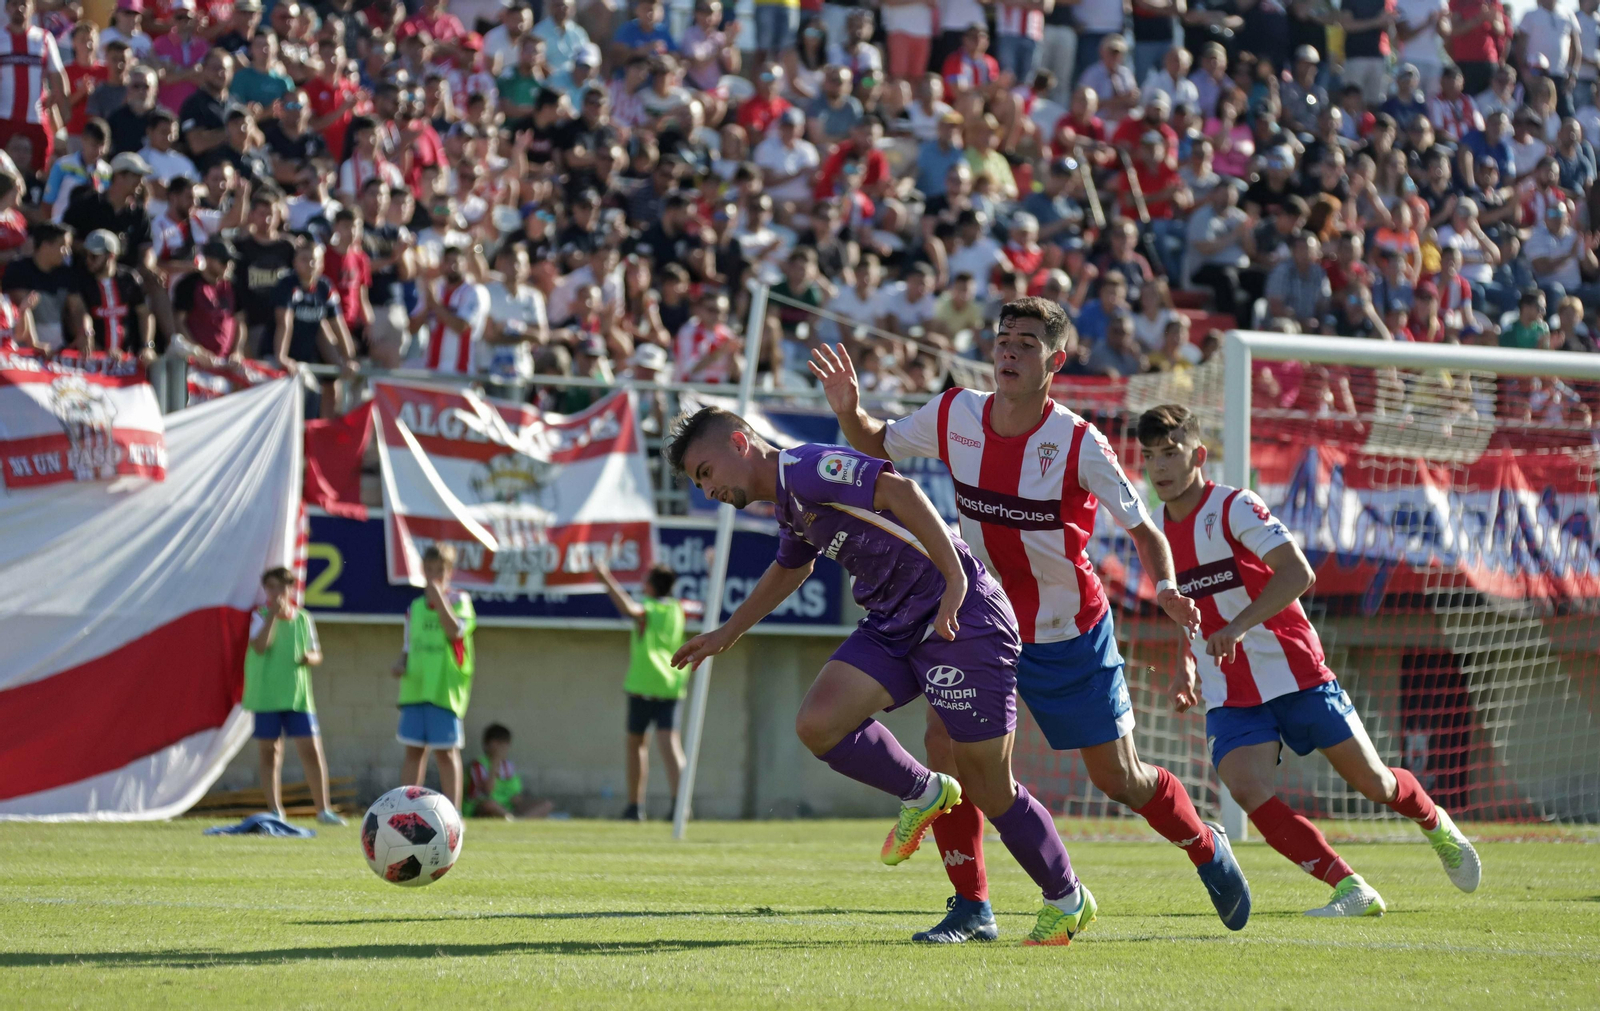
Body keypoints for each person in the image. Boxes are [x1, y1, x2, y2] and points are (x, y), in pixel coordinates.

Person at [806, 297, 1250, 944]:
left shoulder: (1078, 441)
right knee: (946, 746)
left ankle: (1203, 842)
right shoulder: (957, 411)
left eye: (1026, 343)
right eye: (1003, 339)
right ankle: (971, 904)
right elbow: (880, 443)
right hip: (982, 619)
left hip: (1068, 631)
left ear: (1055, 361)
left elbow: (1147, 531)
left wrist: (1170, 587)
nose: (1009, 351)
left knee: (1118, 777)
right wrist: (849, 410)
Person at [667, 403, 1100, 948]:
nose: (706, 489)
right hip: (894, 623)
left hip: (959, 617)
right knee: (819, 723)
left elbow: (899, 491)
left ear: (738, 443)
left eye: (704, 472)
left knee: (988, 783)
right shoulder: (789, 502)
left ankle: (1065, 897)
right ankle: (924, 793)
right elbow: (791, 566)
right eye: (696, 482)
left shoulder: (805, 468)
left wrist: (955, 581)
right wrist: (726, 633)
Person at [1137, 403, 1482, 916]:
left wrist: (1236, 627)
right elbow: (1191, 609)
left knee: (1375, 784)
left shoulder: (1234, 507)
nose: (1160, 467)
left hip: (1294, 671)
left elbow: (1298, 574)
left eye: (1171, 453)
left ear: (1199, 455)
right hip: (1229, 690)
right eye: (1149, 456)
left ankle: (1435, 822)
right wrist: (1188, 666)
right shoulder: (1156, 533)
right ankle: (1350, 888)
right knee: (1247, 790)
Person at [243, 566, 345, 825]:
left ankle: (323, 809)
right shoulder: (259, 616)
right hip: (267, 696)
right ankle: (275, 810)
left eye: (281, 587)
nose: (276, 592)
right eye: (271, 587)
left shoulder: (303, 619)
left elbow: (316, 652)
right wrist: (273, 618)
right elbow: (259, 645)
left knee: (311, 750)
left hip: (298, 697)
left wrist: (310, 657)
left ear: (291, 589)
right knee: (270, 752)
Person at [595, 560, 689, 822]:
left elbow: (629, 608)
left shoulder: (648, 608)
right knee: (670, 745)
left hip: (644, 684)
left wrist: (605, 578)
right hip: (671, 685)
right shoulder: (676, 609)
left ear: (651, 585)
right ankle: (680, 805)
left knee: (637, 745)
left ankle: (635, 806)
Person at [392, 543, 477, 811]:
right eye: (429, 569)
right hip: (415, 689)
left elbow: (454, 631)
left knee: (446, 753)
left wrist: (439, 598)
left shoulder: (460, 600)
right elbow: (409, 645)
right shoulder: (414, 607)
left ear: (450, 571)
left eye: (440, 570)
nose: (433, 575)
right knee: (414, 751)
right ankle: (406, 810)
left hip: (444, 690)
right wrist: (401, 662)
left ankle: (454, 815)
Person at [273, 237, 359, 417]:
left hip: (307, 358)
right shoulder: (288, 284)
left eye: (315, 260)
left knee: (315, 402)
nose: (310, 264)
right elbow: (284, 321)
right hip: (282, 357)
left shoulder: (324, 287)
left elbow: (338, 324)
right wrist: (282, 357)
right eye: (305, 259)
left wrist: (348, 358)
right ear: (295, 262)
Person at [70, 228, 153, 358]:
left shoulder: (130, 279)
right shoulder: (81, 281)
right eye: (86, 255)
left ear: (111, 256)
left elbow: (144, 314)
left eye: (94, 256)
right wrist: (88, 336)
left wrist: (147, 346)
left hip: (127, 357)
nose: (88, 260)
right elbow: (78, 312)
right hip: (94, 356)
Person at [463, 724, 555, 820]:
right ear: (487, 745)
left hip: (508, 807)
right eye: (498, 743)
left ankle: (517, 819)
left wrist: (519, 801)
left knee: (547, 804)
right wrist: (495, 762)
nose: (501, 748)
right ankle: (512, 819)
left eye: (504, 743)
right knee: (489, 805)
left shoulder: (509, 766)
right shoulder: (478, 764)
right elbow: (487, 791)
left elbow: (516, 795)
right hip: (484, 807)